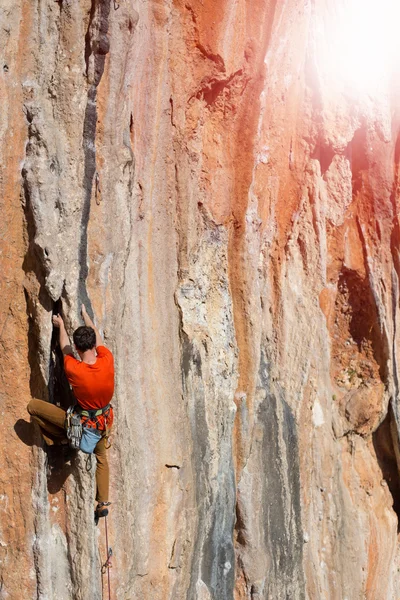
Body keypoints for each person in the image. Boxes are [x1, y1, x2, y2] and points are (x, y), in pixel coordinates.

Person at [27, 304, 115, 520]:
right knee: (102, 457)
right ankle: (102, 501)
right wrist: (86, 315)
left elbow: (65, 347)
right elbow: (97, 338)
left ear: (78, 347)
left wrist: (60, 326)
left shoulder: (75, 369)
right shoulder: (107, 360)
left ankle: (61, 439)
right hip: (103, 423)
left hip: (81, 423)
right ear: (94, 345)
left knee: (33, 407)